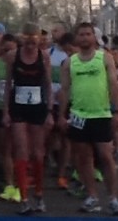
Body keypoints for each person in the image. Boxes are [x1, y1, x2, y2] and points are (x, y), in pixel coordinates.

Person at [58, 23, 118, 216]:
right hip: (79, 115)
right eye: (81, 34)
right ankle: (92, 196)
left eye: (88, 34)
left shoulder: (104, 58)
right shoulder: (70, 62)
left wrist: (117, 111)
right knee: (84, 158)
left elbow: (113, 85)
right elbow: (64, 90)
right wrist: (61, 115)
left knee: (105, 156)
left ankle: (113, 198)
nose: (85, 37)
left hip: (101, 114)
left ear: (94, 38)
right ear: (76, 38)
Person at [3, 22, 54, 215]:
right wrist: (6, 111)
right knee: (21, 152)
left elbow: (48, 84)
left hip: (37, 107)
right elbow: (8, 84)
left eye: (34, 40)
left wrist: (50, 111)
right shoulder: (12, 56)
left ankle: (39, 194)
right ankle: (24, 198)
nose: (31, 44)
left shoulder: (44, 56)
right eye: (27, 40)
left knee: (38, 153)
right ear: (22, 39)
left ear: (39, 40)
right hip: (18, 107)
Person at [0, 33, 20, 203]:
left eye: (11, 50)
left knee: (19, 148)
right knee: (5, 148)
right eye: (5, 49)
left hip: (20, 109)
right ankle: (9, 182)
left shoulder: (22, 65)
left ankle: (19, 182)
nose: (8, 53)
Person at [48, 21, 70, 189]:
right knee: (50, 137)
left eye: (56, 30)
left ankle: (62, 173)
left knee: (65, 139)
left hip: (67, 102)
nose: (53, 33)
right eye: (52, 31)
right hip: (50, 102)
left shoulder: (71, 56)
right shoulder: (48, 53)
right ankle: (54, 164)